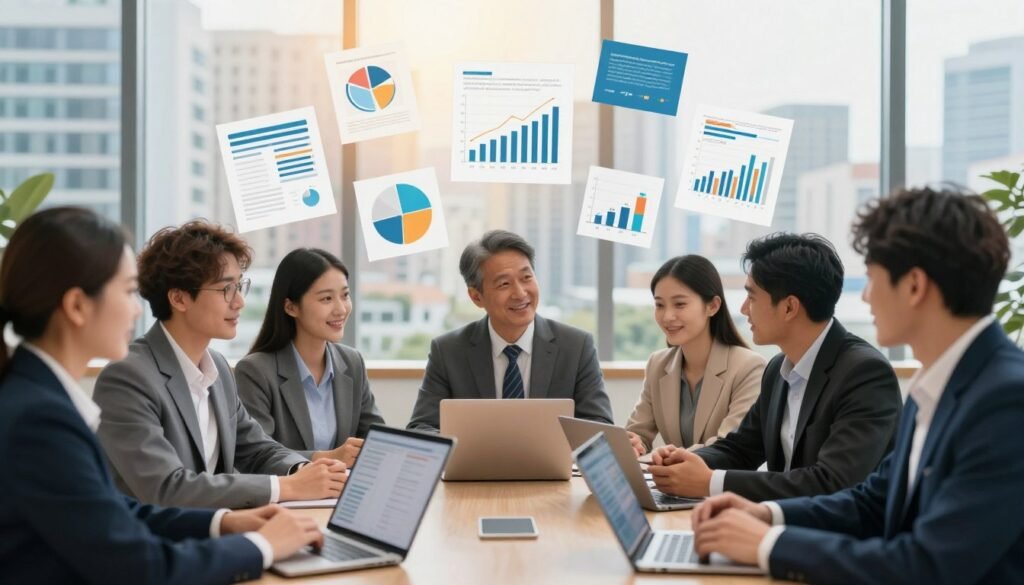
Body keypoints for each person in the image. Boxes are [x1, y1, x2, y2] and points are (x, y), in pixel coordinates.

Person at [690, 187, 1024, 584]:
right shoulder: (936, 385)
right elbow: (872, 503)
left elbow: (928, 566)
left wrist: (768, 544)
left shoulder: (1007, 400)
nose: (865, 297)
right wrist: (767, 514)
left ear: (914, 286)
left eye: (872, 279)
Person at [0, 207, 324, 584]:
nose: (137, 308)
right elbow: (143, 566)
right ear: (76, 306)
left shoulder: (37, 398)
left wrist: (223, 522)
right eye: (126, 291)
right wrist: (262, 546)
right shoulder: (40, 419)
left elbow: (113, 510)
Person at [94, 221, 349, 509]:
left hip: (214, 532)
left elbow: (256, 448)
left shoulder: (216, 367)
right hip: (153, 544)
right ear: (179, 297)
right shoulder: (127, 377)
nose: (239, 301)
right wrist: (286, 486)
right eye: (227, 289)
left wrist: (303, 472)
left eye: (240, 286)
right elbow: (165, 487)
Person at [648, 233, 902, 501]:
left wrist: (711, 482)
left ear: (789, 307)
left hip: (843, 537)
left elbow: (833, 482)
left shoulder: (864, 374)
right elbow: (741, 450)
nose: (744, 309)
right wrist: (685, 461)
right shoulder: (778, 369)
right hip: (787, 525)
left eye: (752, 297)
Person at [407, 230, 613, 432]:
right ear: (476, 296)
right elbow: (421, 427)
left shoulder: (576, 346)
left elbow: (600, 426)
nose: (520, 293)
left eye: (526, 278)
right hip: (476, 466)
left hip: (550, 467)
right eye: (504, 284)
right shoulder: (448, 351)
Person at [235, 248, 385, 465]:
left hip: (344, 492)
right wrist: (327, 458)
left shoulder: (352, 362)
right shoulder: (255, 371)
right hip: (289, 496)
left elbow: (375, 438)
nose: (341, 309)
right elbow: (255, 456)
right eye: (326, 299)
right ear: (291, 307)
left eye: (345, 295)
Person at [625, 255, 765, 455]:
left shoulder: (748, 367)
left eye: (680, 304)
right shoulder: (658, 364)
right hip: (669, 484)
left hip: (722, 485)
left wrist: (667, 458)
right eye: (659, 305)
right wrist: (634, 444)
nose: (667, 317)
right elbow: (637, 432)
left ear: (713, 306)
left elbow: (729, 446)